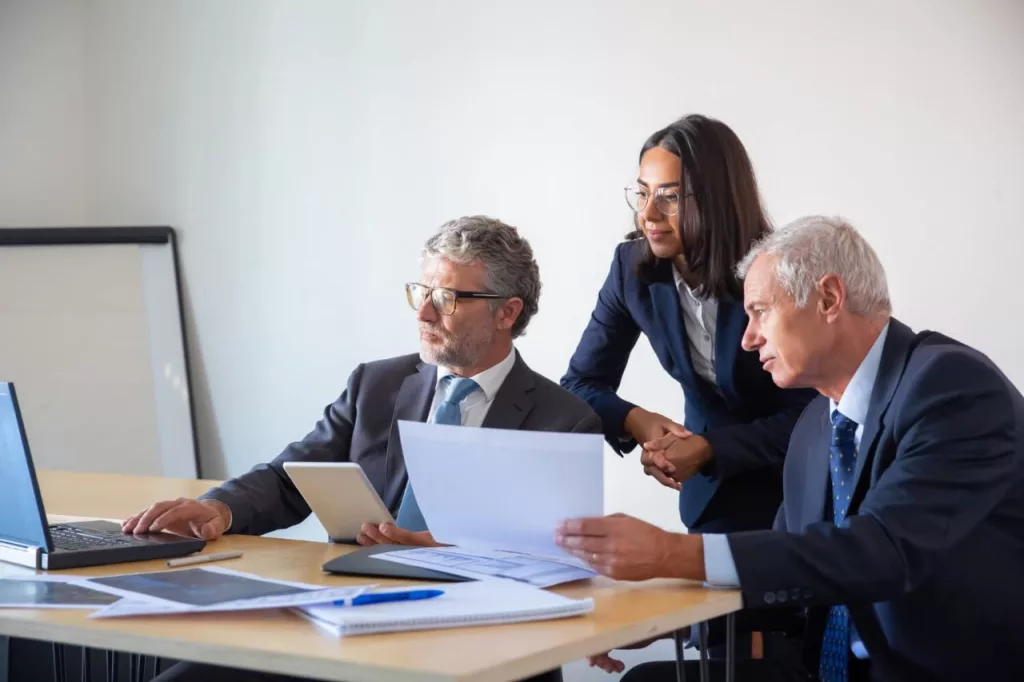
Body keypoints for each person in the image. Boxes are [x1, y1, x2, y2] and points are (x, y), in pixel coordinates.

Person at [125, 215, 601, 682]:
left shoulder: (563, 421)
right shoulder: (377, 384)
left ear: (507, 312)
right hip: (347, 622)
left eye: (447, 298)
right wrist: (217, 508)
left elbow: (561, 564)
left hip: (479, 642)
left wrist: (455, 550)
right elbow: (291, 476)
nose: (424, 314)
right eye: (421, 292)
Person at [556, 216, 1024, 682]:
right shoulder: (814, 429)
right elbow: (791, 579)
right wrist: (664, 618)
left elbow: (882, 550)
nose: (747, 338)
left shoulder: (952, 388)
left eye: (760, 311)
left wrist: (671, 553)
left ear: (828, 298)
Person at [561, 114, 814, 671]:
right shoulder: (631, 269)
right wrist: (640, 421)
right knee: (713, 658)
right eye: (642, 193)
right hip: (713, 501)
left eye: (669, 198)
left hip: (797, 497)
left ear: (717, 198)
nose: (648, 214)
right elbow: (580, 383)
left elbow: (816, 412)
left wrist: (712, 449)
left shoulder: (775, 270)